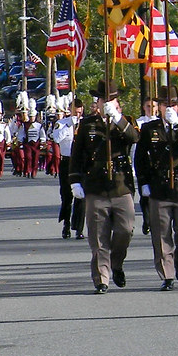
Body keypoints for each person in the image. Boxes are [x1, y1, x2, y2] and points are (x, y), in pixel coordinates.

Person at [69, 80, 140, 294]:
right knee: (98, 236)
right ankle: (101, 278)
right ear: (97, 102)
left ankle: (116, 263)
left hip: (121, 186)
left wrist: (117, 119)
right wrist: (74, 180)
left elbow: (134, 138)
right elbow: (77, 154)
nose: (104, 103)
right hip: (96, 186)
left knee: (125, 230)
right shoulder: (87, 124)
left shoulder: (126, 121)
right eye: (102, 99)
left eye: (109, 99)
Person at [134, 88, 178, 291]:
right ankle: (167, 275)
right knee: (161, 235)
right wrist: (143, 182)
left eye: (171, 105)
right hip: (159, 187)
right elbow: (140, 158)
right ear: (159, 107)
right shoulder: (150, 128)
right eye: (164, 105)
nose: (167, 108)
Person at [54, 96, 86, 239]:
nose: (77, 115)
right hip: (67, 162)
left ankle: (79, 228)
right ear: (69, 110)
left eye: (79, 112)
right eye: (75, 112)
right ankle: (66, 224)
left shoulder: (86, 125)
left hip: (81, 163)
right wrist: (69, 125)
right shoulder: (61, 124)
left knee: (82, 196)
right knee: (67, 197)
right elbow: (57, 139)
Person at [135, 97, 158, 235]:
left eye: (154, 106)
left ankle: (155, 220)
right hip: (143, 162)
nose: (152, 109)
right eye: (148, 106)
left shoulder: (162, 122)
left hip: (156, 163)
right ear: (144, 107)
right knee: (144, 195)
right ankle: (147, 219)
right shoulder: (139, 123)